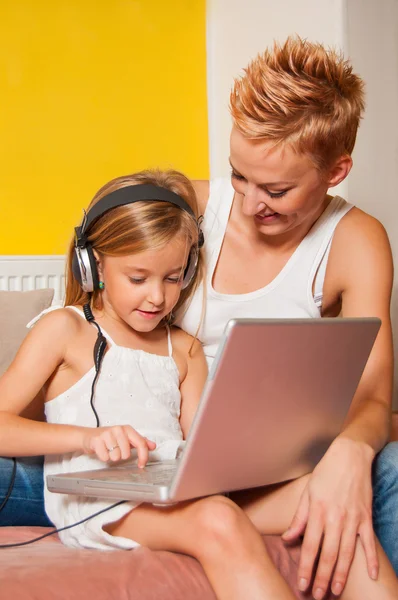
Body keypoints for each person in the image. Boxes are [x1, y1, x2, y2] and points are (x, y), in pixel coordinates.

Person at [1, 35, 398, 597]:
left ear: (336, 172)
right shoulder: (176, 211)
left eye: (277, 189)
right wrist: (92, 437)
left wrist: (347, 457)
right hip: (99, 462)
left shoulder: (355, 242)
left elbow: (374, 399)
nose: (248, 201)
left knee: (375, 484)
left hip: (224, 464)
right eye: (239, 175)